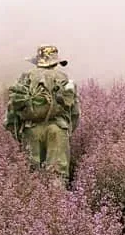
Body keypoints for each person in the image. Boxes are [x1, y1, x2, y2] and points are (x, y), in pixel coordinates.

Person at [4, 44, 80, 181]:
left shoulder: (25, 77)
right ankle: (57, 201)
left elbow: (12, 109)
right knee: (57, 175)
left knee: (32, 175)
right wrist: (66, 130)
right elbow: (74, 113)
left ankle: (37, 202)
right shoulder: (64, 78)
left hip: (31, 129)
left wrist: (17, 133)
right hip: (57, 130)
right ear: (55, 61)